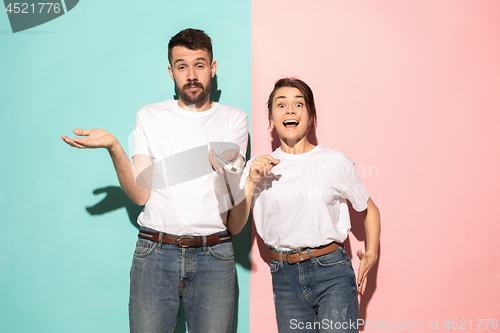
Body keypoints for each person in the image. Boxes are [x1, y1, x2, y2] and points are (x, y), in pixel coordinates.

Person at [62, 28, 248, 333]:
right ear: (170, 71)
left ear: (213, 68)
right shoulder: (149, 116)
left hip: (214, 255)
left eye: (200, 65)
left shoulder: (234, 118)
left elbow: (230, 175)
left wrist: (225, 166)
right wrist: (114, 147)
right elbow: (140, 193)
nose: (191, 74)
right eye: (182, 66)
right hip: (155, 252)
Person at [227, 78, 380, 332]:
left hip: (332, 272)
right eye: (281, 104)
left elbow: (369, 209)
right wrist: (251, 183)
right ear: (271, 118)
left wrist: (372, 251)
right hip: (284, 277)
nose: (290, 110)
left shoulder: (334, 161)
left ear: (311, 118)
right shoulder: (257, 166)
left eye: (299, 104)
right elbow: (234, 225)